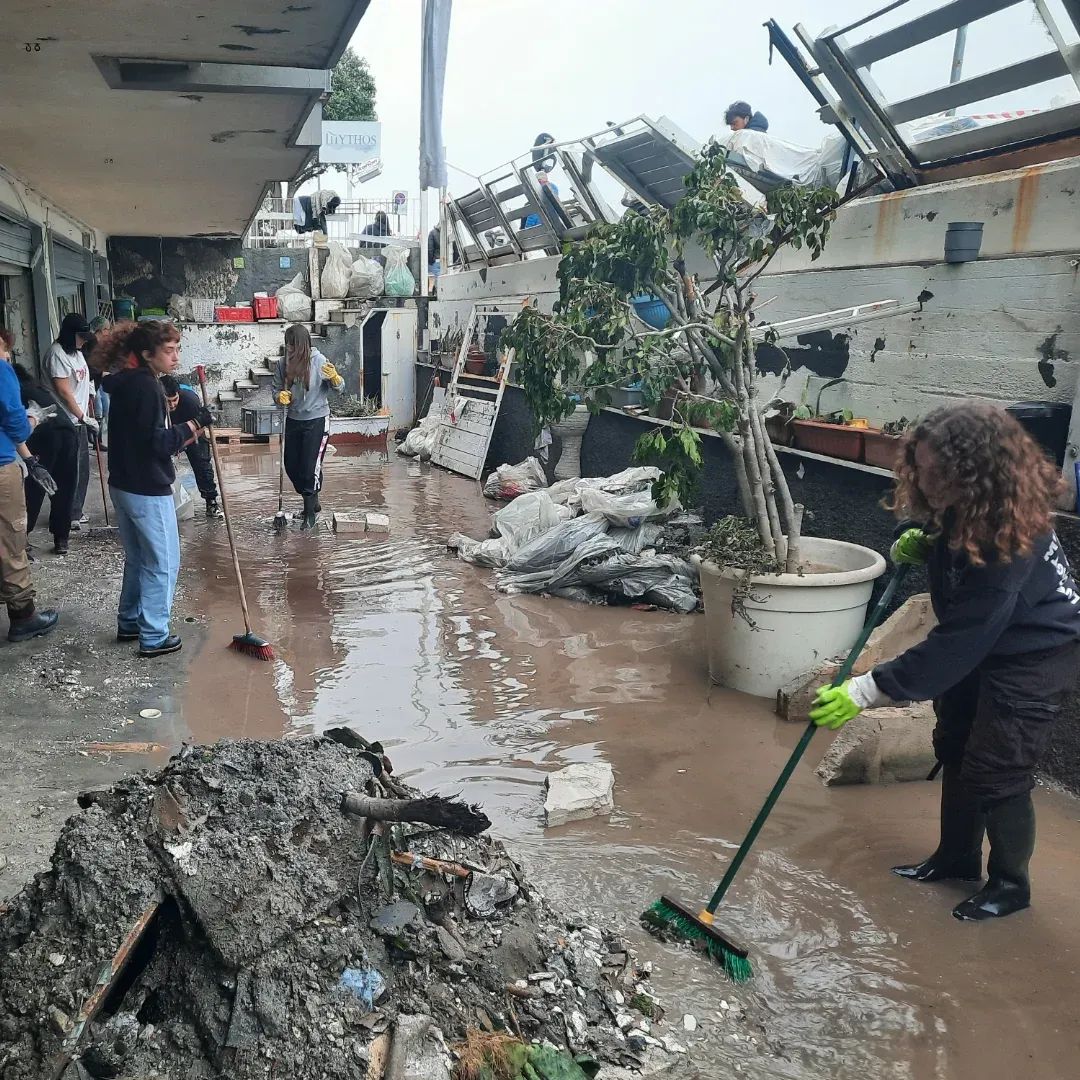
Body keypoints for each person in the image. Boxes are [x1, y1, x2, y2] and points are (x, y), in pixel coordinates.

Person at [810, 403, 1080, 922]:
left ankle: (1010, 884)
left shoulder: (1011, 534)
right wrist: (928, 541)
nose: (928, 484)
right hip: (986, 639)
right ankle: (956, 858)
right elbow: (964, 621)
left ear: (978, 473)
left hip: (1036, 652)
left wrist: (866, 691)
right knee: (954, 740)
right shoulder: (963, 502)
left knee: (998, 767)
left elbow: (960, 640)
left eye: (941, 474)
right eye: (922, 469)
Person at [94, 320, 213, 658]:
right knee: (162, 561)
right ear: (147, 354)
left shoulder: (129, 383)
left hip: (124, 482)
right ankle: (154, 635)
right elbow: (158, 444)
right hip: (146, 486)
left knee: (139, 557)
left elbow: (147, 435)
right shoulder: (145, 387)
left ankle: (130, 621)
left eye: (177, 349)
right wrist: (194, 423)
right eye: (169, 351)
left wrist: (186, 426)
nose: (176, 357)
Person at [0, 328, 59, 642]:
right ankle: (24, 616)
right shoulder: (1, 370)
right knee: (11, 540)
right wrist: (34, 417)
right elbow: (15, 426)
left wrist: (31, 460)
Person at [7, 338, 79, 556]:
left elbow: (14, 426)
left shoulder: (11, 387)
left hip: (45, 435)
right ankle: (61, 539)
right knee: (63, 487)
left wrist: (30, 461)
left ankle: (23, 539)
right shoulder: (34, 385)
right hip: (68, 431)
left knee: (35, 486)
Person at [272, 324, 344, 531]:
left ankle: (310, 514)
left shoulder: (320, 362)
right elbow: (276, 389)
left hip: (317, 420)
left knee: (309, 467)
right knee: (292, 466)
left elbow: (340, 388)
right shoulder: (283, 364)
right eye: (287, 345)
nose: (290, 350)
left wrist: (336, 379)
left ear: (303, 346)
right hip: (294, 420)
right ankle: (313, 500)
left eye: (293, 346)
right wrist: (279, 397)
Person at [45, 313, 97, 531]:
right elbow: (64, 392)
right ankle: (66, 515)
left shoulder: (76, 353)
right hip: (64, 421)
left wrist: (91, 393)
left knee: (82, 469)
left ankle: (76, 511)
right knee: (69, 471)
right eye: (81, 336)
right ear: (70, 334)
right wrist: (82, 416)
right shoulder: (57, 354)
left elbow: (83, 378)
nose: (84, 340)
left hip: (78, 419)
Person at [159, 374, 222, 518]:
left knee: (202, 463)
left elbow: (200, 428)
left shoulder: (190, 401)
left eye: (175, 400)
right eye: (168, 402)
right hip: (168, 433)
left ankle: (211, 501)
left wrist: (181, 445)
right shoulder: (154, 405)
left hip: (192, 433)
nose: (172, 404)